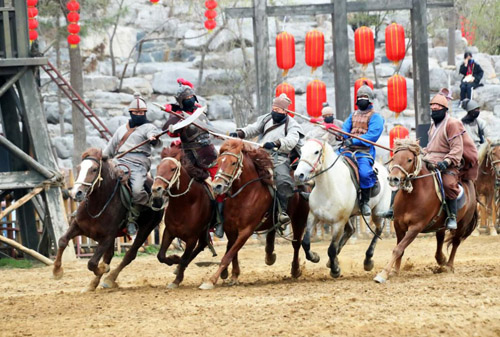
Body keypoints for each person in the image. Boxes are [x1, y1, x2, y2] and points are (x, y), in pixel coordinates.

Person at [230, 93, 304, 229]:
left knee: (283, 181)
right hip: (260, 154)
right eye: (274, 109)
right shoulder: (266, 118)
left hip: (279, 158)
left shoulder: (293, 125)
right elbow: (254, 128)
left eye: (278, 110)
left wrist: (276, 143)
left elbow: (292, 141)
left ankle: (282, 212)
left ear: (285, 111)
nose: (275, 112)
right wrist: (240, 133)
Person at [162, 79, 223, 238]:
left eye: (191, 97)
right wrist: (174, 120)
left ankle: (219, 221)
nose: (190, 100)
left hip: (209, 153)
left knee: (220, 188)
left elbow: (209, 129)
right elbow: (170, 132)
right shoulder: (177, 117)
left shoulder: (200, 112)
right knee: (183, 189)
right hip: (190, 158)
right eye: (186, 99)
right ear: (181, 102)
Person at [103, 93, 163, 236]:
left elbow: (153, 137)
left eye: (142, 112)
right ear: (131, 113)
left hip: (139, 162)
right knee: (100, 179)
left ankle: (134, 217)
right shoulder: (121, 130)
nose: (139, 114)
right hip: (119, 161)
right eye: (136, 112)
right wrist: (100, 158)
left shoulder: (149, 127)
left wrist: (152, 139)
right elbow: (109, 149)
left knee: (136, 191)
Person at [422, 94, 478, 230]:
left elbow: (457, 148)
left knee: (448, 185)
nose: (434, 109)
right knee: (408, 173)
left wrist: (447, 162)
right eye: (432, 107)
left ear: (444, 109)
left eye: (438, 107)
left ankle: (452, 216)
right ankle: (394, 209)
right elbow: (431, 146)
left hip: (447, 163)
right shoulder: (433, 125)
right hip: (430, 160)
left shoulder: (453, 123)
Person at [340, 85, 384, 217]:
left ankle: (364, 201)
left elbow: (372, 136)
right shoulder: (352, 115)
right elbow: (345, 129)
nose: (362, 100)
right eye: (359, 97)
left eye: (364, 97)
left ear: (370, 99)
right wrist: (342, 136)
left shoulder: (376, 117)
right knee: (327, 163)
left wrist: (353, 141)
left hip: (363, 152)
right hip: (347, 151)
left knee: (364, 173)